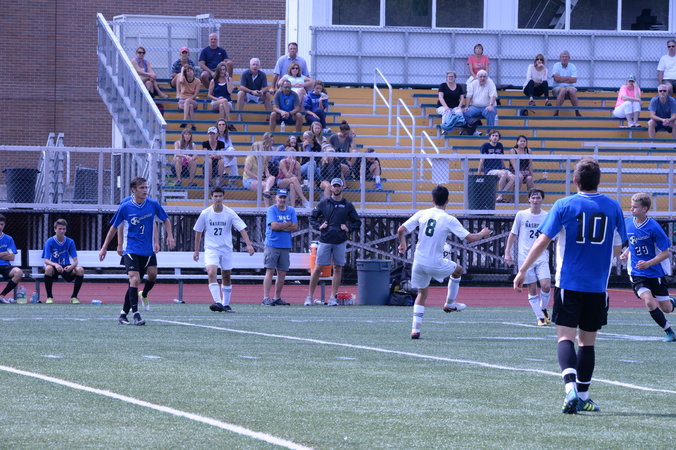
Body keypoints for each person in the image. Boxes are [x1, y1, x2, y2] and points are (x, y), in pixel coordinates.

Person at [514, 157, 626, 414]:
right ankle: (584, 395)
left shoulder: (564, 205)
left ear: (575, 181)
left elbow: (543, 241)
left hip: (569, 283)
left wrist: (522, 270)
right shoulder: (613, 206)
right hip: (597, 286)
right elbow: (619, 245)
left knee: (565, 337)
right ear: (599, 181)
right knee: (587, 343)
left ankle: (570, 390)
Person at [397, 185, 492, 339]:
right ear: (447, 200)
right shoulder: (449, 219)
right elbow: (470, 238)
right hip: (435, 262)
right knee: (458, 270)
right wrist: (483, 233)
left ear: (432, 200)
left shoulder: (422, 213)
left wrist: (402, 243)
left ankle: (415, 330)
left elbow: (401, 230)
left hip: (418, 261)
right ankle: (450, 303)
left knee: (422, 293)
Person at [100, 177, 176, 326]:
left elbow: (165, 220)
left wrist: (170, 236)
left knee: (150, 276)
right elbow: (114, 227)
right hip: (131, 249)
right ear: (133, 190)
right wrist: (105, 247)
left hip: (147, 250)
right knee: (134, 280)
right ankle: (136, 314)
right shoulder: (125, 206)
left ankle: (123, 314)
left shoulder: (153, 204)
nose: (145, 190)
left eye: (146, 187)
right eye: (141, 188)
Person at [619, 192, 676, 342]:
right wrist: (626, 252)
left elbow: (666, 253)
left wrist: (648, 263)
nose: (631, 209)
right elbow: (633, 242)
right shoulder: (628, 222)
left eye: (635, 207)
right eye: (631, 206)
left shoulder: (654, 227)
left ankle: (672, 301)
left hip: (654, 271)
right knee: (649, 300)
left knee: (667, 308)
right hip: (637, 272)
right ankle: (669, 332)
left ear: (644, 209)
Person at [193, 186, 255, 312]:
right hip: (211, 248)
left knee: (226, 275)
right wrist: (196, 250)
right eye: (215, 196)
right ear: (211, 197)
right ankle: (218, 302)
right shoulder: (205, 213)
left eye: (220, 196)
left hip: (226, 248)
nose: (218, 198)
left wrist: (249, 245)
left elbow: (242, 228)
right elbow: (198, 231)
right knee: (211, 272)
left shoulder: (229, 213)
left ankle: (225, 304)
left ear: (223, 197)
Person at [305, 178, 361, 306]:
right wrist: (319, 226)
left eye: (338, 186)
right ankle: (309, 297)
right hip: (325, 240)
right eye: (334, 186)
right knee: (318, 268)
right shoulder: (324, 203)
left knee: (337, 268)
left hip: (340, 241)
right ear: (331, 188)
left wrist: (348, 228)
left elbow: (357, 222)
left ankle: (332, 297)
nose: (336, 188)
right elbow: (312, 218)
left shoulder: (347, 205)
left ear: (342, 188)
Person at [504, 189, 551, 326]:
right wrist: (507, 252)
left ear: (542, 199)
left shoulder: (547, 216)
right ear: (529, 199)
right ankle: (540, 317)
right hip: (525, 257)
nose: (535, 200)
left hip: (541, 256)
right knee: (532, 288)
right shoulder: (521, 215)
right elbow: (513, 234)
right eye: (533, 198)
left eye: (538, 198)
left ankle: (543, 308)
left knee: (546, 285)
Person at [262, 189, 298, 306]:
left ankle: (277, 297)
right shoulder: (271, 209)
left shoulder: (291, 210)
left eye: (284, 197)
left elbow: (295, 227)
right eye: (280, 197)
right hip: (272, 244)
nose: (282, 200)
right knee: (270, 271)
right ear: (276, 198)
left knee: (282, 273)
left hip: (285, 245)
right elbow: (274, 226)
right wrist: (287, 224)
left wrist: (281, 226)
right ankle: (266, 298)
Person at [41, 219, 85, 304]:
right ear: (55, 229)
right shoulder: (49, 241)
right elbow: (46, 260)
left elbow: (76, 261)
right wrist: (55, 265)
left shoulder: (70, 241)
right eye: (60, 229)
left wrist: (71, 267)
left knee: (80, 270)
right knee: (48, 269)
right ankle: (49, 297)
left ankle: (74, 297)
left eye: (64, 229)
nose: (62, 231)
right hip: (54, 267)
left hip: (66, 267)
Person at [478, 129, 514, 203]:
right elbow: (482, 160)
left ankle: (500, 196)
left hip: (500, 169)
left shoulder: (500, 145)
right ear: (490, 137)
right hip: (490, 169)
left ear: (499, 138)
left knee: (513, 178)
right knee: (503, 173)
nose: (495, 137)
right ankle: (500, 196)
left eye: (496, 136)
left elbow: (501, 158)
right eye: (493, 135)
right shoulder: (485, 146)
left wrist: (504, 167)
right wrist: (479, 173)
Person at [243, 140, 276, 206]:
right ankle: (267, 207)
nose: (263, 149)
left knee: (272, 178)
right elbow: (247, 171)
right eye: (262, 147)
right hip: (249, 179)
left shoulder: (263, 158)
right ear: (257, 148)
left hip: (261, 179)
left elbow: (267, 172)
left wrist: (268, 176)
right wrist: (257, 177)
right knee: (264, 185)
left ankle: (267, 191)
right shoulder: (250, 158)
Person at [276, 143, 310, 208]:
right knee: (294, 179)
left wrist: (292, 175)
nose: (292, 157)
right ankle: (304, 199)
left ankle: (293, 207)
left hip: (292, 182)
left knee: (292, 185)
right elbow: (287, 175)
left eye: (293, 156)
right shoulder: (282, 162)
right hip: (281, 181)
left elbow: (299, 178)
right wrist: (291, 167)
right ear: (287, 155)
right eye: (290, 155)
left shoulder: (297, 164)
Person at [0, 214, 23, 304]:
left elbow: (12, 257)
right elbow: (9, 254)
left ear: (4, 225)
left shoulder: (9, 239)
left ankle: (2, 296)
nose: (0, 226)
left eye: (1, 224)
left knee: (18, 272)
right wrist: (5, 253)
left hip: (6, 266)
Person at [552, 50, 581, 117]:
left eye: (566, 57)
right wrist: (568, 78)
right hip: (557, 87)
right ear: (560, 58)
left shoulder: (572, 66)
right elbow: (556, 79)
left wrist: (561, 78)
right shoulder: (556, 65)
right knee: (563, 89)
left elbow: (574, 80)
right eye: (563, 57)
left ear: (569, 58)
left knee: (571, 90)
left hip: (570, 87)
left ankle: (577, 112)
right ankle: (556, 112)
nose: (564, 58)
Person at [215, 119, 238, 184]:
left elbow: (231, 148)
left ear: (225, 126)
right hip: (219, 156)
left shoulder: (227, 137)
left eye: (223, 124)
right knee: (233, 159)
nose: (221, 126)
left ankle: (231, 179)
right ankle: (232, 181)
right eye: (219, 125)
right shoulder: (215, 136)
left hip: (227, 156)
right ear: (217, 126)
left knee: (233, 155)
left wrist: (227, 153)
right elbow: (216, 149)